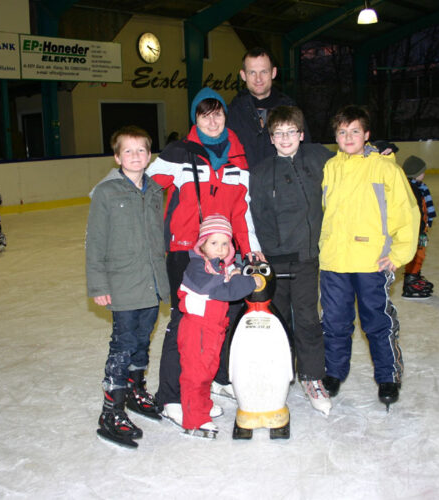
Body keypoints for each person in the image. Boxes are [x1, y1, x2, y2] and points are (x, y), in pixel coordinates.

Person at [145, 87, 264, 426]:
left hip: (226, 252)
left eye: (218, 113)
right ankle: (170, 395)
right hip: (185, 251)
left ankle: (211, 379)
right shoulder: (178, 152)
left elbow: (242, 210)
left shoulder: (238, 156)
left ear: (225, 116)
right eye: (204, 114)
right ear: (195, 118)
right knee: (185, 321)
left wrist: (249, 246)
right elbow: (146, 188)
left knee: (223, 315)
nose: (212, 120)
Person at [319, 105, 419, 411]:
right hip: (335, 261)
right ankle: (333, 372)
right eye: (342, 132)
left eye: (355, 131)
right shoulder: (330, 168)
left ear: (367, 135)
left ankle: (388, 376)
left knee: (377, 322)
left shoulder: (386, 169)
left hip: (371, 262)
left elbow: (407, 213)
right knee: (334, 322)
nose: (348, 137)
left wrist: (399, 254)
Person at [86, 126, 169, 447]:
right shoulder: (106, 192)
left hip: (149, 283)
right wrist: (98, 283)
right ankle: (111, 409)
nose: (135, 156)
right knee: (122, 345)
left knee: (142, 339)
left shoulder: (155, 191)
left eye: (142, 150)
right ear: (117, 156)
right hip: (121, 282)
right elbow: (95, 242)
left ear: (150, 155)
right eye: (128, 151)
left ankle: (135, 389)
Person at [248, 105, 334, 416]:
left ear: (301, 134)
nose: (285, 138)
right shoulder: (259, 173)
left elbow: (351, 165)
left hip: (306, 257)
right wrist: (254, 247)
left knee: (309, 319)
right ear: (271, 138)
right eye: (278, 133)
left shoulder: (319, 159)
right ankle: (277, 374)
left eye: (291, 132)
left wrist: (376, 151)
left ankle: (311, 377)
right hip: (273, 259)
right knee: (278, 321)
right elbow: (247, 213)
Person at [177, 215, 261, 438]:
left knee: (207, 372)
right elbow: (228, 292)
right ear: (202, 245)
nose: (221, 249)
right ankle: (194, 419)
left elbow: (224, 279)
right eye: (214, 243)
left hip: (212, 330)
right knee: (196, 375)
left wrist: (233, 273)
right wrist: (252, 281)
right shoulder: (197, 267)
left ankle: (202, 406)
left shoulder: (215, 265)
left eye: (225, 243)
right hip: (198, 331)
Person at [226, 47, 311, 168]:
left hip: (283, 184)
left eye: (264, 72)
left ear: (274, 72)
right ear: (243, 75)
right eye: (252, 72)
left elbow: (306, 152)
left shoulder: (291, 110)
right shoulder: (231, 113)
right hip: (245, 185)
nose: (258, 79)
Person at [400, 156, 438, 300]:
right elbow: (416, 212)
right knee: (417, 254)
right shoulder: (413, 189)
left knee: (419, 254)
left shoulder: (417, 187)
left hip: (419, 229)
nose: (424, 174)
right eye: (423, 172)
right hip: (416, 230)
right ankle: (411, 281)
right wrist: (420, 229)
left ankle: (414, 275)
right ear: (417, 173)